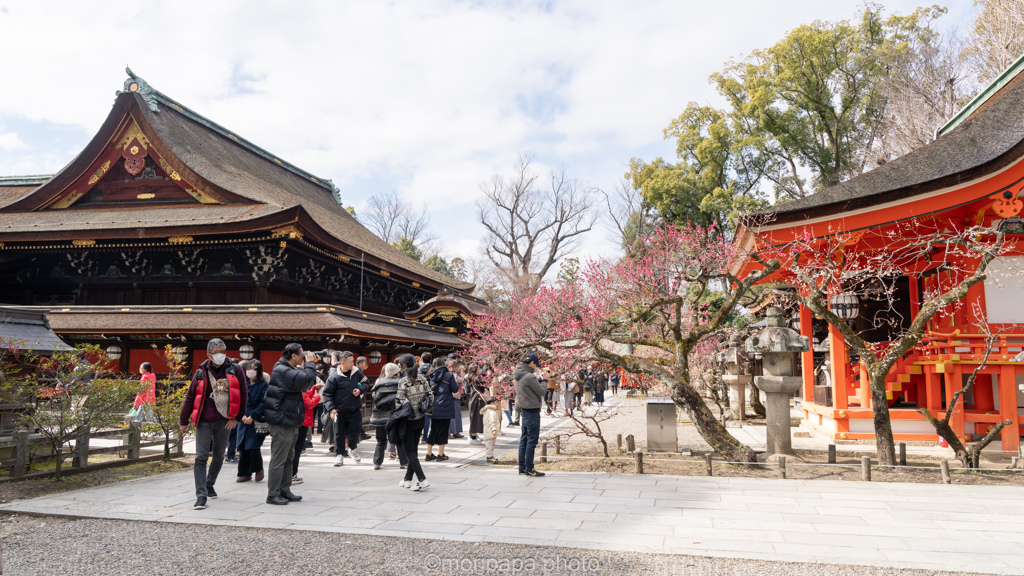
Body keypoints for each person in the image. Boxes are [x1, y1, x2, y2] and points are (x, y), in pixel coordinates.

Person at [178, 338, 248, 510]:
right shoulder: (201, 372)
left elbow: (244, 395)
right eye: (216, 352)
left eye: (223, 351)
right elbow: (190, 397)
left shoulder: (235, 370)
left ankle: (210, 483)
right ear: (209, 355)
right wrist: (183, 421)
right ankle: (201, 495)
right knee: (201, 457)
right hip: (204, 420)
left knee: (218, 456)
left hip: (225, 420)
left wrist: (236, 418)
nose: (220, 355)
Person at [264, 343, 317, 506]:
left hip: (290, 419)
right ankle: (273, 494)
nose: (303, 357)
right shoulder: (282, 370)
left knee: (289, 458)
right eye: (301, 355)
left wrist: (308, 364)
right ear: (293, 356)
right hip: (282, 420)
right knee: (279, 458)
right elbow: (305, 381)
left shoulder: (288, 369)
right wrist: (310, 364)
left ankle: (284, 490)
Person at [394, 353, 432, 491]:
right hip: (421, 417)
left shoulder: (403, 381)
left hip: (408, 420)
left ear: (404, 366)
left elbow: (398, 402)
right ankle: (408, 479)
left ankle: (422, 479)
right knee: (413, 449)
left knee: (409, 450)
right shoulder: (422, 378)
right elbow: (430, 396)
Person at [323, 351, 367, 466]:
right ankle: (339, 455)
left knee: (355, 432)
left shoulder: (357, 372)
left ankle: (352, 449)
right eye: (351, 361)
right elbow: (327, 394)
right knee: (338, 433)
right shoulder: (334, 376)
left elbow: (365, 382)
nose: (353, 363)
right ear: (343, 362)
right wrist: (331, 408)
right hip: (339, 410)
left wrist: (360, 390)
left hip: (354, 409)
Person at [236, 360, 269, 483]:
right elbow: (238, 400)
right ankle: (244, 473)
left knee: (253, 446)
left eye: (253, 369)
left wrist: (253, 416)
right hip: (242, 419)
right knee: (242, 446)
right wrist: (242, 415)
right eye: (248, 369)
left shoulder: (264, 385)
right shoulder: (243, 383)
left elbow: (263, 402)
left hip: (256, 420)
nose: (250, 371)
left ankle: (258, 468)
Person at [514, 352, 546, 477]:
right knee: (531, 440)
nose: (536, 367)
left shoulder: (517, 373)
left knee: (524, 439)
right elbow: (542, 392)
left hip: (524, 410)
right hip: (532, 410)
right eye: (535, 364)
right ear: (532, 363)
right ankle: (529, 468)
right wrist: (544, 381)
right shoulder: (529, 377)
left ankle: (522, 467)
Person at [370, 362, 407, 470]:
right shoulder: (400, 382)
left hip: (379, 414)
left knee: (380, 440)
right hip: (395, 414)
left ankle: (377, 462)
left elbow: (374, 396)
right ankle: (403, 462)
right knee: (399, 439)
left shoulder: (378, 382)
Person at [425, 357, 458, 461]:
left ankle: (429, 453)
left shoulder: (430, 376)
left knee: (433, 429)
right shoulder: (448, 375)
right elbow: (455, 389)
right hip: (445, 406)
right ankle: (440, 454)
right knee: (443, 430)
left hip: (434, 406)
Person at [292, 378, 322, 485]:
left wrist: (314, 389)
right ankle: (293, 474)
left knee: (294, 448)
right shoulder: (301, 393)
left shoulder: (297, 392)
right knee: (297, 449)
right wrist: (317, 396)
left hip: (296, 422)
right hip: (302, 423)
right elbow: (309, 403)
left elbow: (306, 395)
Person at [466, 364, 486, 444]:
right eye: (478, 369)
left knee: (474, 418)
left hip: (473, 399)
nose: (480, 370)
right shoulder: (477, 378)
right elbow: (484, 386)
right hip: (477, 400)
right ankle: (472, 437)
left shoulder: (471, 377)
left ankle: (472, 436)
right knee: (476, 418)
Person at [418, 352, 433, 444]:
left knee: (418, 416)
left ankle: (417, 435)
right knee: (427, 417)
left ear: (421, 359)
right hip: (429, 394)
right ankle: (425, 437)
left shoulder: (417, 369)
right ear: (430, 360)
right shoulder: (433, 369)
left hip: (418, 394)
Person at [481, 397, 500, 463]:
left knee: (490, 445)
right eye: (496, 402)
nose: (497, 404)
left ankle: (491, 456)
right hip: (490, 431)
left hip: (488, 431)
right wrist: (494, 429)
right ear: (492, 403)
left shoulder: (487, 411)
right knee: (490, 445)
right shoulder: (492, 412)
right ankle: (489, 457)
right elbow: (492, 421)